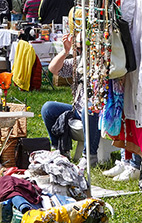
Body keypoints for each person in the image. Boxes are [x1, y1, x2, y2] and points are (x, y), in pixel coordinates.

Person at [42, 33, 100, 170]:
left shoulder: (102, 62)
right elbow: (53, 69)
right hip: (77, 109)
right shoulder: (79, 61)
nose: (80, 51)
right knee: (48, 108)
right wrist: (65, 51)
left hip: (96, 110)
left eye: (82, 48)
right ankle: (60, 149)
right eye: (78, 48)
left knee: (88, 109)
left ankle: (90, 156)